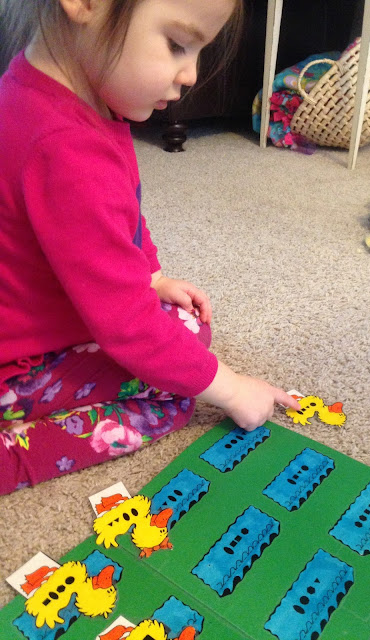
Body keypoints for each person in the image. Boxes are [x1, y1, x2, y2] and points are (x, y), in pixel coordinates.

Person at [0, 0, 300, 495]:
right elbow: (127, 325)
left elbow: (120, 218)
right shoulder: (66, 148)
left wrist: (151, 276)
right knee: (174, 399)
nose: (191, 75)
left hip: (32, 322)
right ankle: (15, 457)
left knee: (188, 328)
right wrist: (232, 390)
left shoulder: (45, 91)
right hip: (15, 367)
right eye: (177, 45)